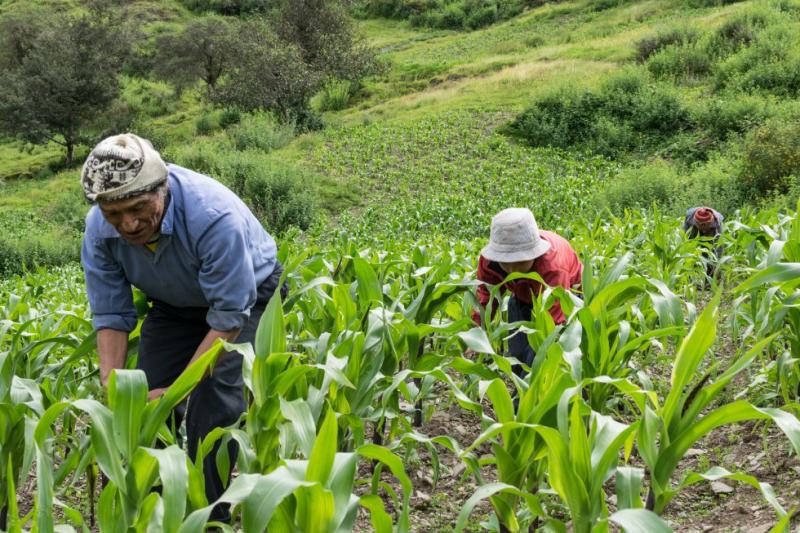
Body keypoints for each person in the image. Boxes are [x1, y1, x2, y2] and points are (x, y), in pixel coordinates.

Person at [80, 133, 287, 521]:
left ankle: (210, 518)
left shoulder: (212, 216)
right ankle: (149, 513)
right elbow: (110, 313)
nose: (128, 223)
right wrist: (113, 386)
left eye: (139, 207)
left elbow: (228, 316)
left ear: (163, 188)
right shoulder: (100, 232)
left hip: (247, 298)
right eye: (114, 214)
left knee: (212, 404)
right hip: (174, 307)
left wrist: (176, 393)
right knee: (139, 404)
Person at [472, 208, 582, 376]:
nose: (511, 269)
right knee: (517, 352)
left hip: (568, 300)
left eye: (518, 260)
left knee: (544, 357)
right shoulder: (489, 262)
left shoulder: (553, 268)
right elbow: (486, 298)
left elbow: (550, 329)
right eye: (505, 261)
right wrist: (476, 335)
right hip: (523, 294)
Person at [683, 206, 724, 277]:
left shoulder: (717, 223)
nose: (704, 231)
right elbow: (686, 241)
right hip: (694, 229)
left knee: (710, 249)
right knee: (692, 246)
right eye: (701, 226)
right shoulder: (690, 220)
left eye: (706, 226)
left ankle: (710, 272)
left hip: (711, 230)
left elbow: (719, 247)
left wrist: (716, 265)